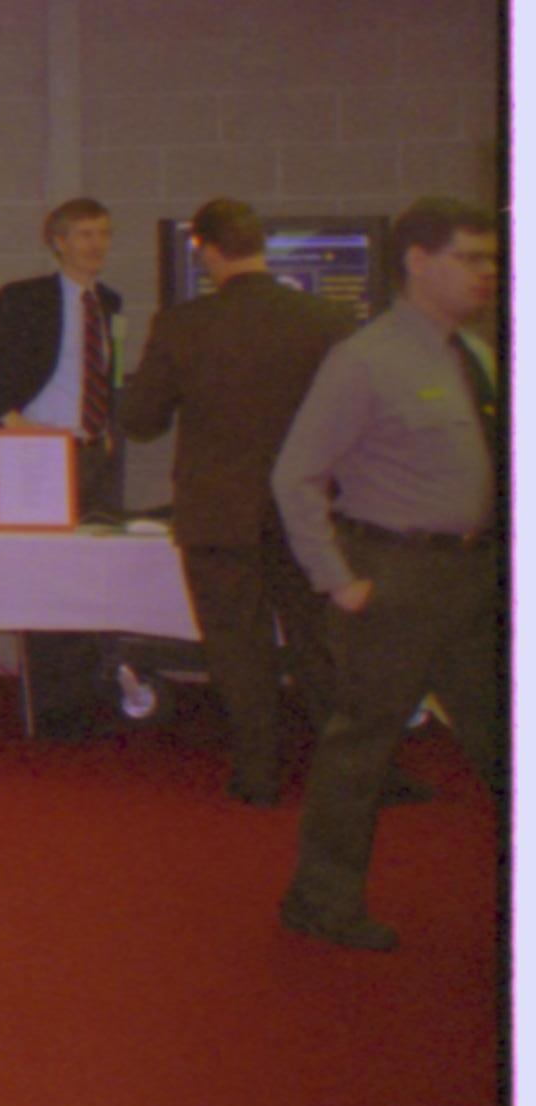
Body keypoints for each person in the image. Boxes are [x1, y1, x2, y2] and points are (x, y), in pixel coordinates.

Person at [268, 198, 503, 953]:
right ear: (417, 261)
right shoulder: (365, 358)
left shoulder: (474, 355)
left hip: (475, 576)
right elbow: (296, 476)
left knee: (504, 741)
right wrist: (336, 578)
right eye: (471, 257)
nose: (487, 273)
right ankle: (322, 901)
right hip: (393, 576)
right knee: (361, 749)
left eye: (491, 259)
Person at [117, 200, 358, 803]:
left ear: (207, 250)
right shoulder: (325, 318)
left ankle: (259, 774)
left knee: (237, 648)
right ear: (261, 247)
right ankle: (350, 776)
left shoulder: (184, 325)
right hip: (303, 514)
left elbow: (142, 421)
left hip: (218, 512)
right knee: (318, 646)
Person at [0, 196, 126, 737]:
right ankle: (55, 705)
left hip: (93, 451)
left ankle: (92, 689)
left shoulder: (110, 302)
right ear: (59, 242)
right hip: (38, 453)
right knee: (50, 577)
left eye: (105, 234)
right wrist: (7, 418)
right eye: (86, 235)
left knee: (94, 575)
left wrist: (108, 427)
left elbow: (107, 375)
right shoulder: (27, 300)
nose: (98, 245)